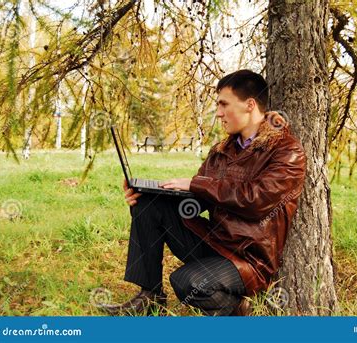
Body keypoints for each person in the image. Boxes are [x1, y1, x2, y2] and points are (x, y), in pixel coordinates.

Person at [101, 69, 307, 316]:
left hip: (248, 260)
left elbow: (257, 200)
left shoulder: (286, 151)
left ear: (250, 105)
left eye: (224, 104)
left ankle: (240, 310)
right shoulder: (222, 150)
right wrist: (150, 192)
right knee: (148, 203)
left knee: (186, 281)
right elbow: (199, 201)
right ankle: (150, 297)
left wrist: (196, 184)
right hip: (215, 241)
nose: (219, 113)